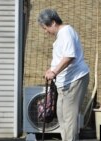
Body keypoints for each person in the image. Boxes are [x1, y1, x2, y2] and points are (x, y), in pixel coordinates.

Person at [38, 9, 89, 141]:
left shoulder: (66, 32)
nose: (46, 31)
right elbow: (62, 57)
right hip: (63, 83)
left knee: (69, 119)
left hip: (74, 80)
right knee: (62, 117)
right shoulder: (61, 35)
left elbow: (69, 56)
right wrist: (51, 69)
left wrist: (54, 72)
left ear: (53, 23)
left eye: (45, 28)